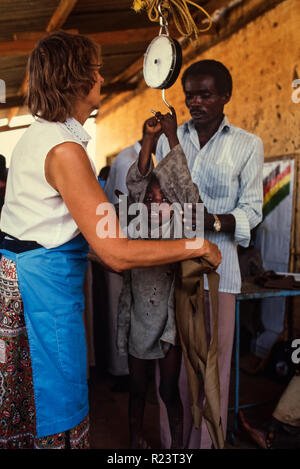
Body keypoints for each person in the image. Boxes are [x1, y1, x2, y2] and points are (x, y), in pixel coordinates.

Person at [0, 32, 221, 449]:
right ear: (77, 81)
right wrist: (197, 246)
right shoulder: (64, 149)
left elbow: (100, 228)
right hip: (40, 294)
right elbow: (115, 251)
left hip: (35, 284)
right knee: (55, 403)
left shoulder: (42, 137)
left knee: (35, 402)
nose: (101, 78)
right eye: (95, 70)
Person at [155, 59, 264, 449]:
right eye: (190, 95)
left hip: (221, 275)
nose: (195, 102)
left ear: (225, 97)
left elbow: (252, 212)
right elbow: (157, 197)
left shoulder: (247, 145)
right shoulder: (174, 137)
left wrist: (213, 220)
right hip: (173, 272)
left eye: (205, 94)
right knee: (174, 376)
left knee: (212, 376)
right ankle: (174, 449)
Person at [101, 121, 161, 384]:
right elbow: (128, 209)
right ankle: (123, 373)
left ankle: (132, 371)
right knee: (123, 309)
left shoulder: (145, 158)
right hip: (123, 242)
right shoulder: (130, 160)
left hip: (134, 241)